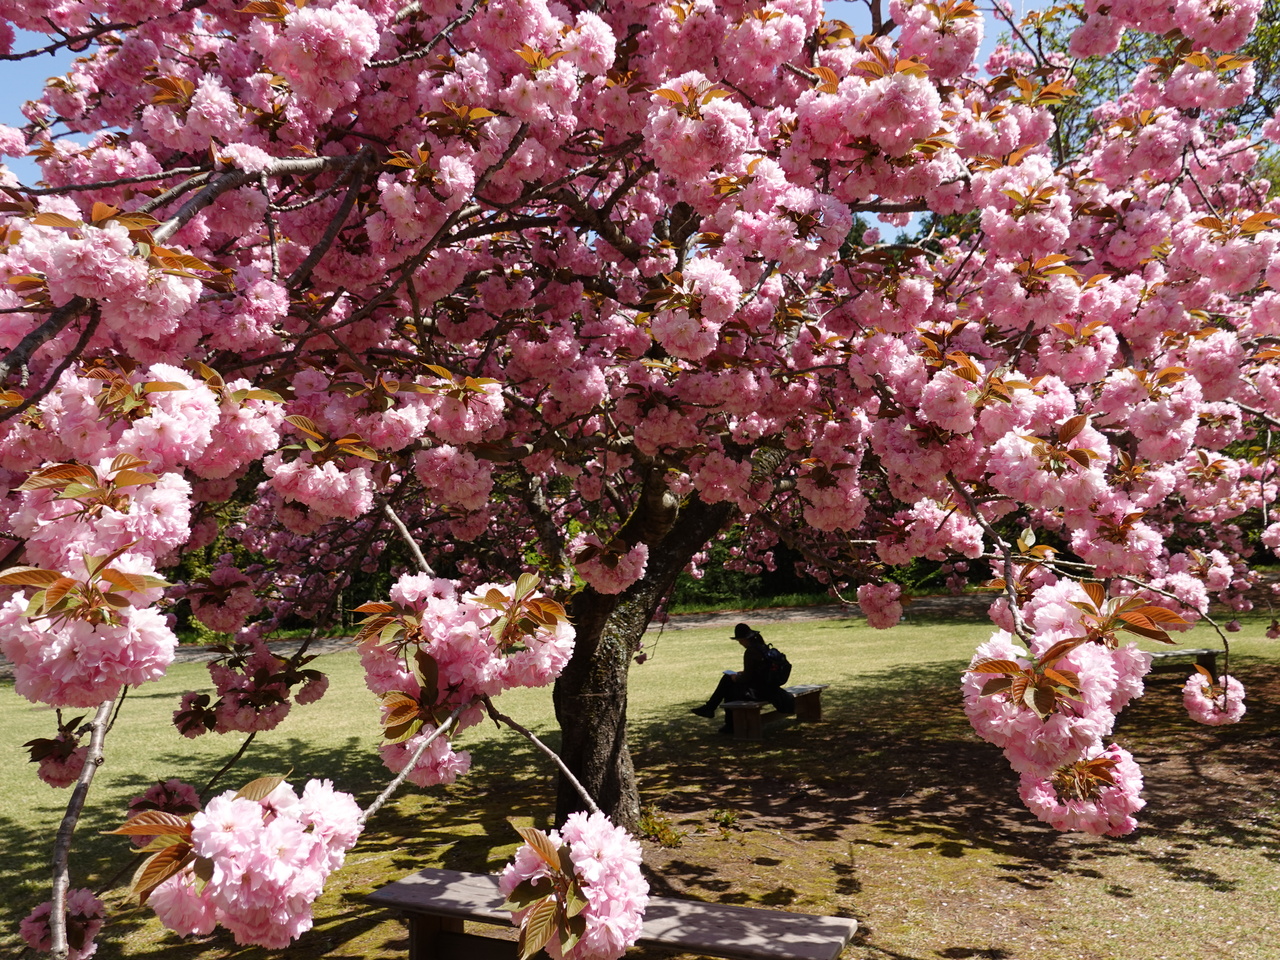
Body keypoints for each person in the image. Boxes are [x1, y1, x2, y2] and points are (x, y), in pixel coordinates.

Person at [690, 623, 794, 733]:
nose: (740, 643)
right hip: (769, 688)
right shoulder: (762, 647)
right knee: (728, 683)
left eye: (739, 641)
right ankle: (713, 711)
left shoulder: (750, 652)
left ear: (744, 639)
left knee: (728, 683)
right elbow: (757, 671)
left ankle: (720, 716)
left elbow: (747, 678)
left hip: (760, 692)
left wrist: (736, 678)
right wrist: (741, 674)